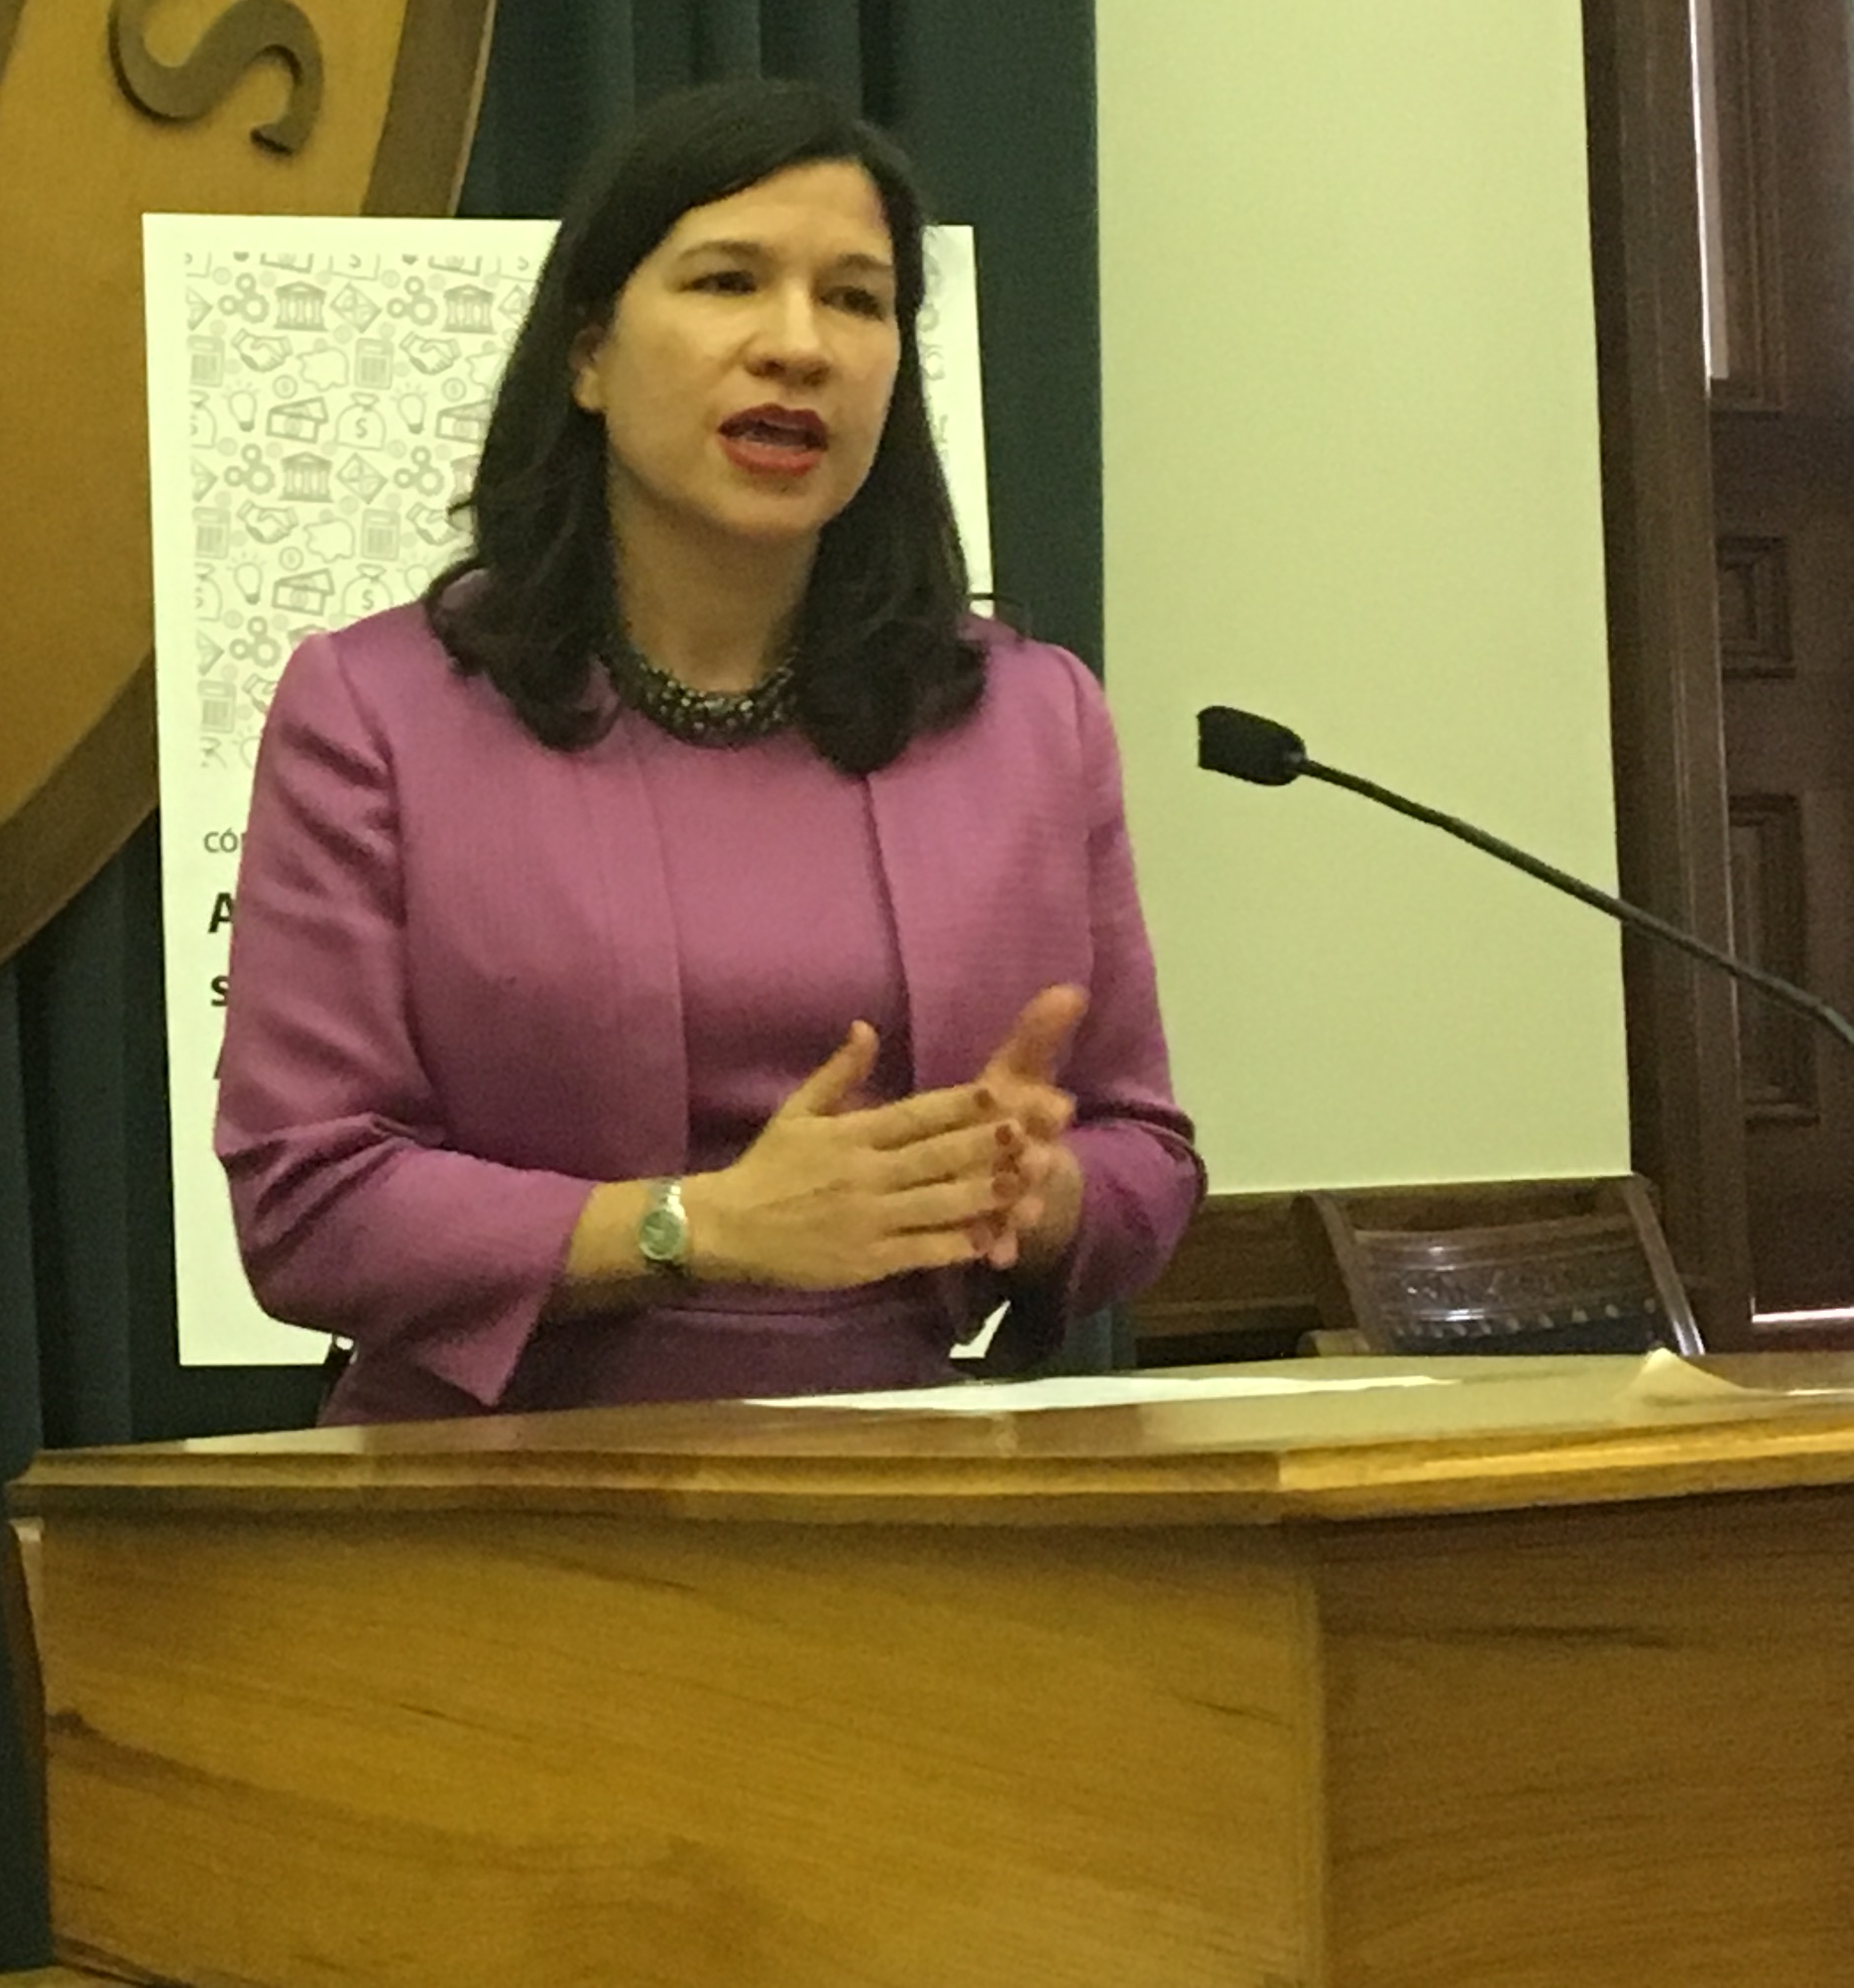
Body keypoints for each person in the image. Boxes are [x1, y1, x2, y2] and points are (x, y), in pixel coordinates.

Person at [216, 76, 1201, 1421]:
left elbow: (1143, 1152)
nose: (799, 345)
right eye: (730, 281)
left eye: (856, 300)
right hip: (490, 1507)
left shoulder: (1029, 720)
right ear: (587, 352)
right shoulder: (377, 710)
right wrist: (699, 1227)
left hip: (920, 1505)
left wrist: (1040, 1195)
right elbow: (306, 1201)